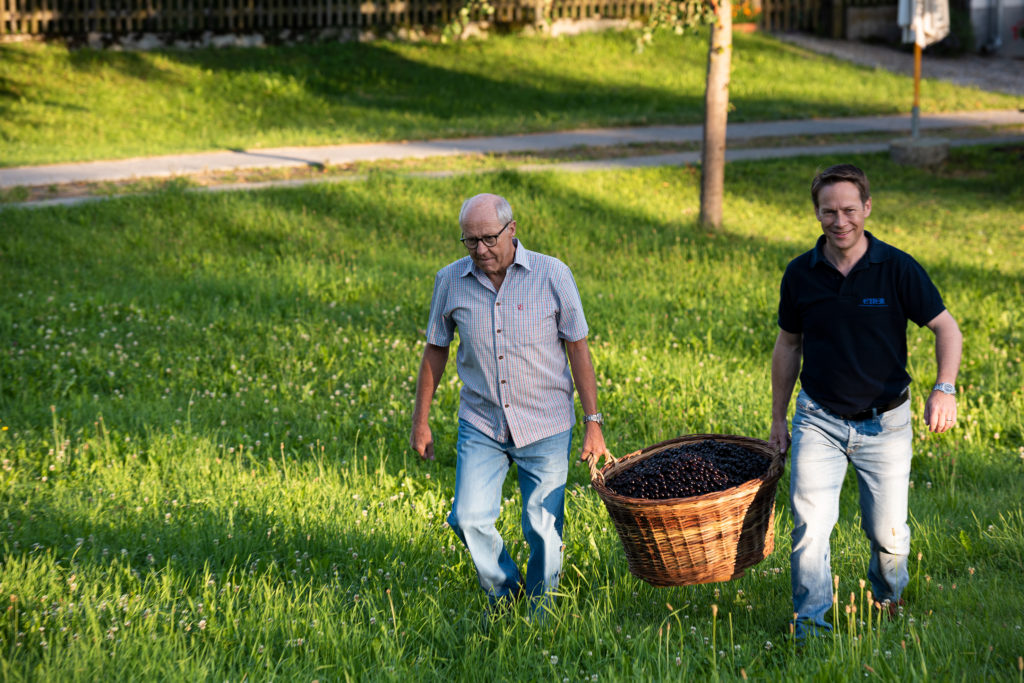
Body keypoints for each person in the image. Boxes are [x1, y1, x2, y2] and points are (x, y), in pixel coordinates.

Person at [768, 164, 962, 640]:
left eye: (849, 210)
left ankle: (887, 600)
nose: (840, 221)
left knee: (889, 534)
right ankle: (810, 627)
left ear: (867, 208)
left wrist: (945, 387)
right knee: (811, 526)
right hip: (819, 419)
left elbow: (946, 328)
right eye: (828, 211)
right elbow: (788, 345)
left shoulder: (896, 268)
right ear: (816, 213)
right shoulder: (800, 274)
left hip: (886, 423)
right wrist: (777, 417)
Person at [410, 193, 611, 614]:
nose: (480, 250)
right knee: (467, 518)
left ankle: (541, 617)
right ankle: (507, 591)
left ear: (512, 229)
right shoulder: (450, 280)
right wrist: (421, 420)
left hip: (546, 422)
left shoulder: (552, 274)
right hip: (482, 422)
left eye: (488, 238)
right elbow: (436, 349)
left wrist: (593, 422)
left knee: (543, 528)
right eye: (469, 241)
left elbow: (578, 348)